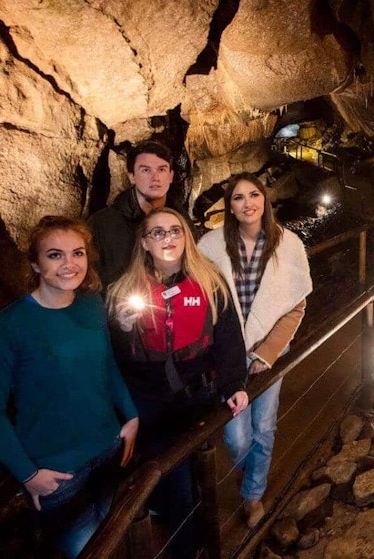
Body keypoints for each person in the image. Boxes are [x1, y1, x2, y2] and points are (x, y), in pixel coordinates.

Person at [0, 215, 139, 558]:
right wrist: (28, 473)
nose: (69, 264)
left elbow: (106, 365)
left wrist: (131, 416)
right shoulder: (9, 327)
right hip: (58, 471)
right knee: (80, 550)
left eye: (77, 253)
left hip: (108, 450)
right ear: (35, 262)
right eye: (55, 255)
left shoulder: (91, 305)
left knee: (112, 536)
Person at [106, 207, 249, 556]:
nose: (167, 238)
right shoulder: (124, 291)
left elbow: (229, 336)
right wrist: (124, 330)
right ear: (144, 242)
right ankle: (188, 546)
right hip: (151, 402)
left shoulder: (210, 282)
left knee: (186, 474)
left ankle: (190, 536)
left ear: (186, 236)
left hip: (197, 396)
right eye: (158, 232)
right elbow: (117, 358)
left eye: (175, 230)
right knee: (173, 479)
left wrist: (235, 384)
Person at [198, 173, 312, 529]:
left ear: (265, 200)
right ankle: (250, 473)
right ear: (229, 206)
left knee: (263, 426)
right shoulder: (211, 246)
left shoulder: (288, 243)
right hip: (228, 352)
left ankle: (252, 494)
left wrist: (267, 353)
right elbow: (202, 303)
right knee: (236, 434)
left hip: (270, 350)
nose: (247, 203)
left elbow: (296, 304)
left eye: (254, 195)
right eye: (238, 198)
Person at [89, 140, 175, 286]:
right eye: (146, 170)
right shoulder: (101, 224)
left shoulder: (182, 222)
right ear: (131, 176)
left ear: (170, 176)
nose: (155, 177)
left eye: (161, 170)